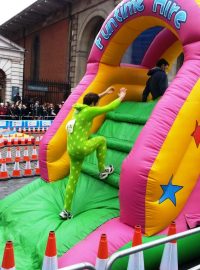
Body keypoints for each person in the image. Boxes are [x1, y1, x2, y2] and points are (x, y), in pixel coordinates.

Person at [59, 86, 127, 220]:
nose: (98, 105)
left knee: (73, 179)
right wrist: (121, 96)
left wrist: (104, 93)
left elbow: (91, 101)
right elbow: (109, 108)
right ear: (93, 104)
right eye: (97, 103)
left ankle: (65, 210)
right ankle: (102, 170)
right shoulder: (89, 111)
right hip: (81, 148)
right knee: (101, 140)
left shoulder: (78, 110)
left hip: (72, 150)